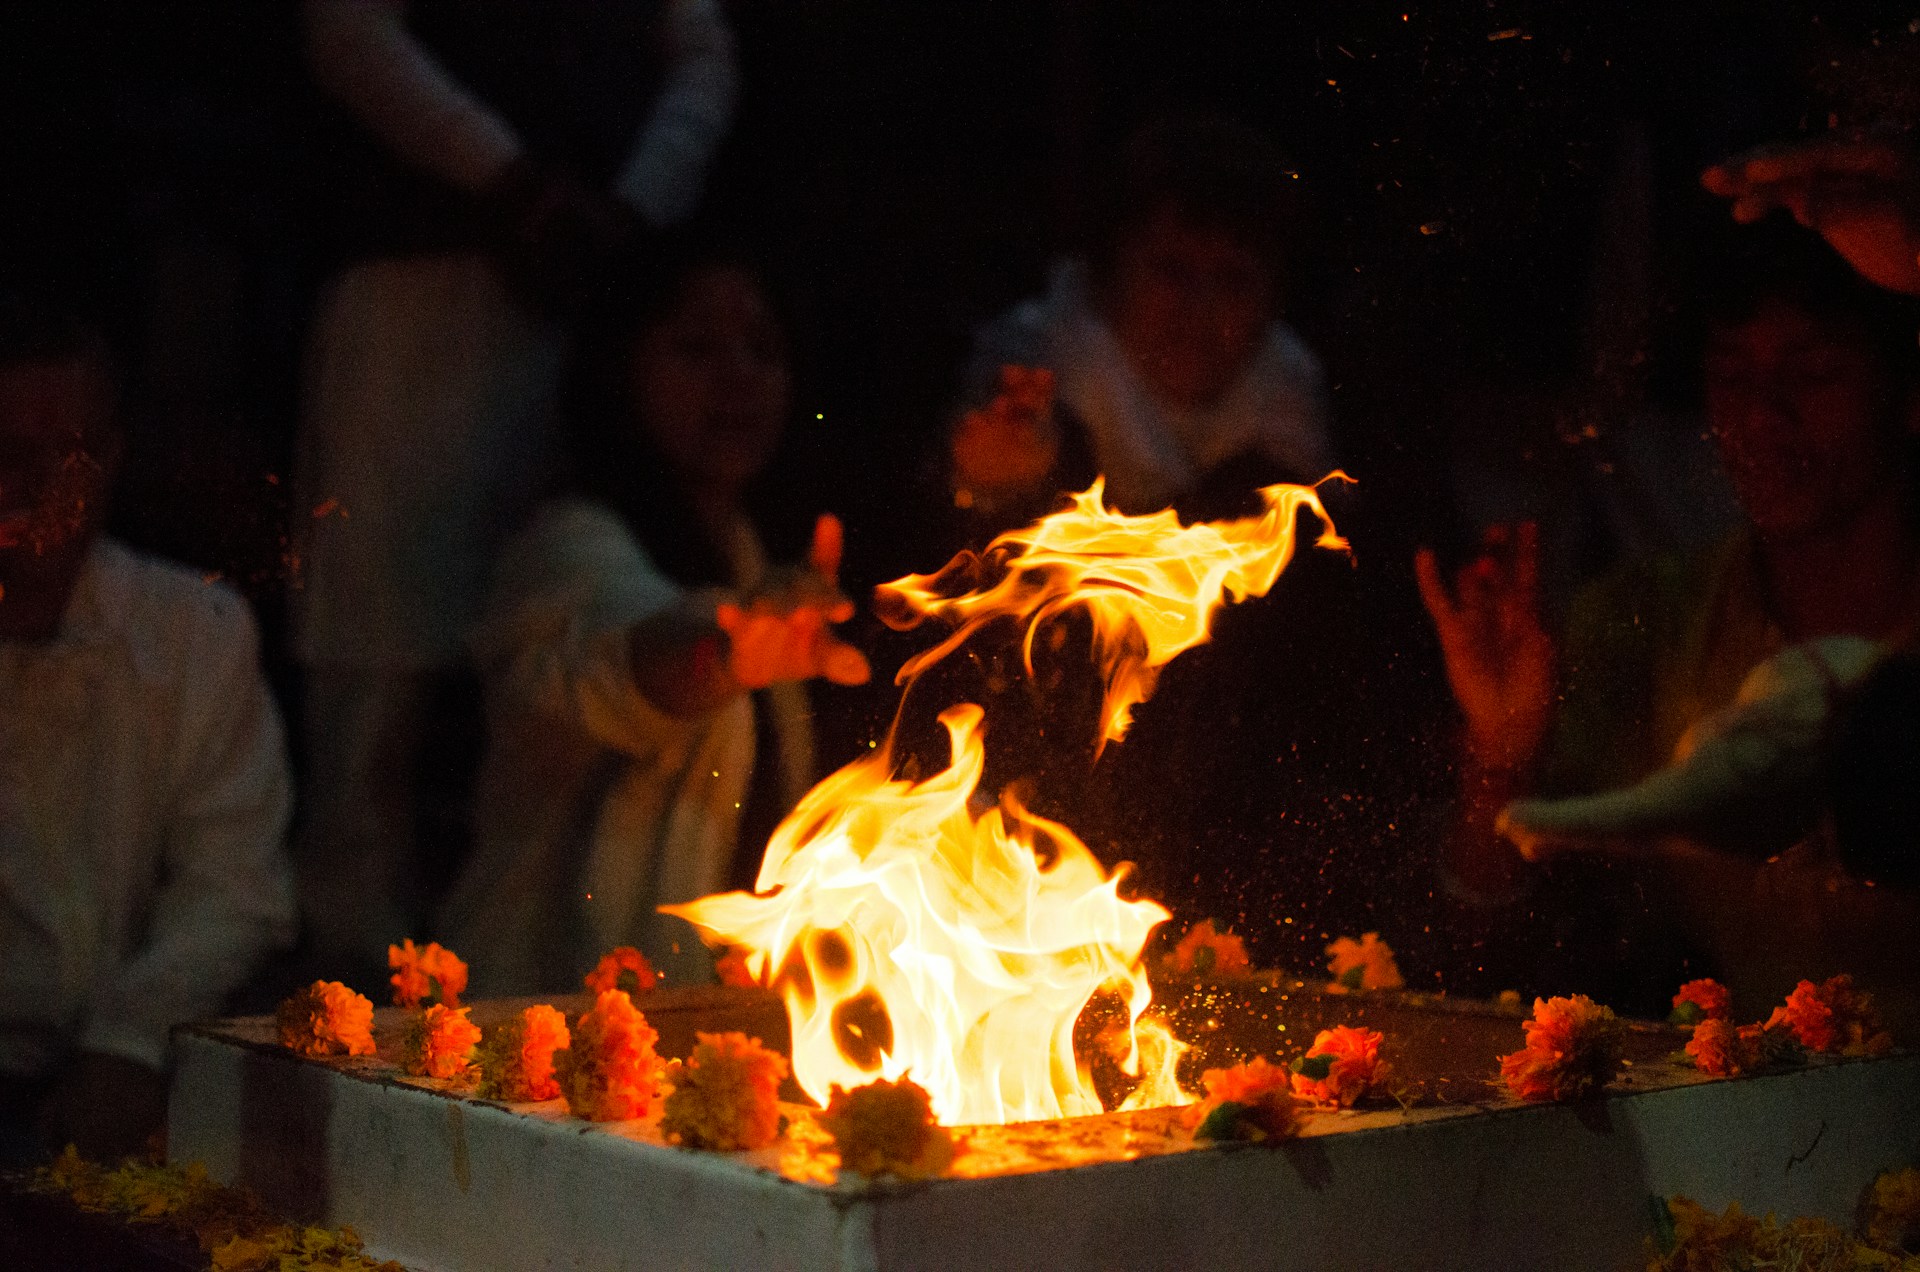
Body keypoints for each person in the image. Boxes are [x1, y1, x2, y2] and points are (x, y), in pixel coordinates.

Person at [292, 0, 739, 975]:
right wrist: (507, 178)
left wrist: (632, 206)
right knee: (375, 682)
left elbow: (702, 47)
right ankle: (359, 987)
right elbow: (348, 29)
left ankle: (546, 979)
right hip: (417, 287)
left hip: (591, 292)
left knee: (574, 635)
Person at [1417, 222, 1920, 1023]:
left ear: (1907, 395)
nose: (1763, 415)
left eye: (1814, 373)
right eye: (1732, 375)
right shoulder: (1646, 623)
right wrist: (1502, 756)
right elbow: (1484, 952)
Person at [439, 246, 868, 993]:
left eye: (763, 349)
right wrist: (724, 653)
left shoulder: (757, 555)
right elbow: (617, 662)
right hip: (537, 1023)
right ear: (620, 370)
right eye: (696, 347)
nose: (737, 376)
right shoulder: (565, 545)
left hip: (704, 1022)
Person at [0, 295, 295, 1164]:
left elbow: (236, 883)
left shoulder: (194, 632)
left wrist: (131, 1039)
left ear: (115, 457)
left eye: (74, 454)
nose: (42, 488)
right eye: (9, 454)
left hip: (135, 1084)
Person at [948, 114, 1333, 537]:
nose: (1201, 308)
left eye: (1233, 280)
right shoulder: (1034, 362)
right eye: (1173, 272)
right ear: (1110, 272)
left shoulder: (1289, 390)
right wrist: (992, 482)